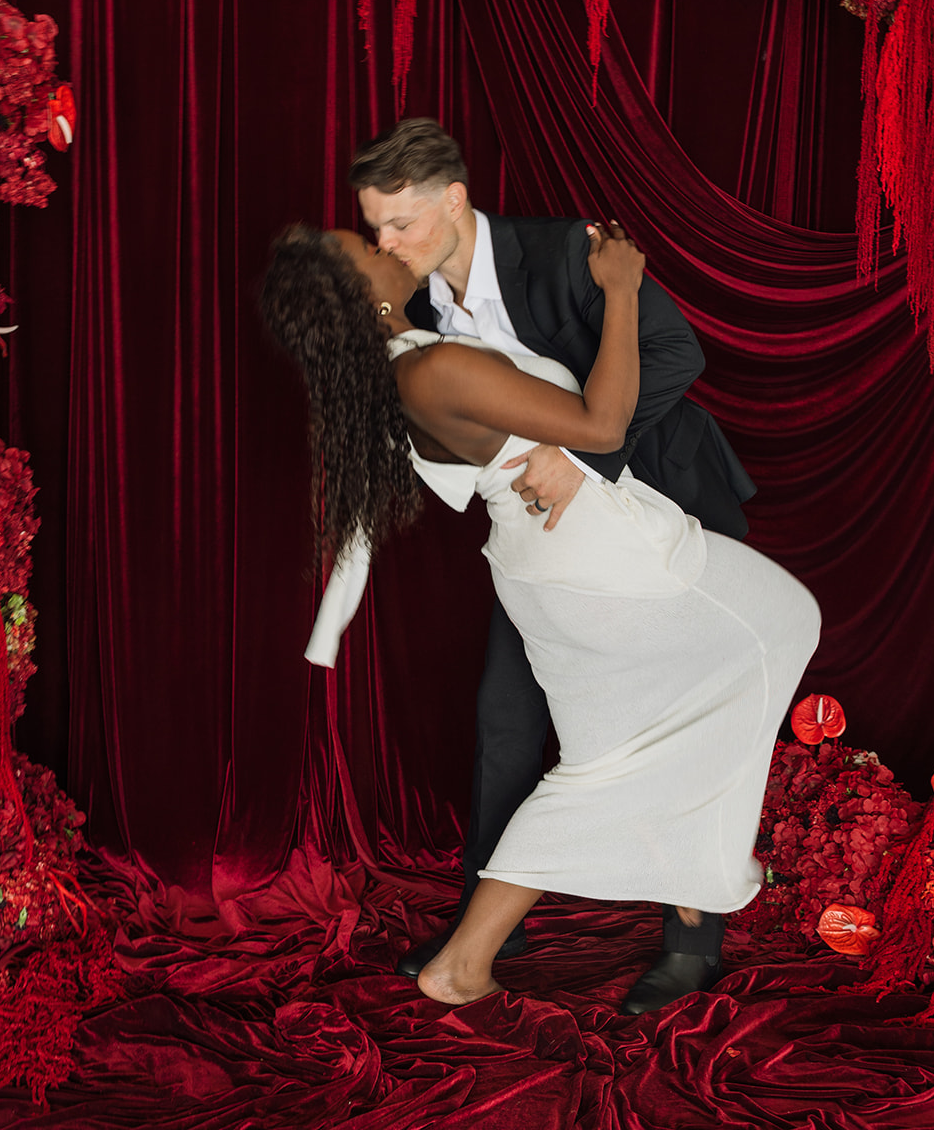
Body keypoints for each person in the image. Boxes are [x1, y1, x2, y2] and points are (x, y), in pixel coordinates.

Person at [260, 220, 820, 1011]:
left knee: (600, 763)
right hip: (602, 558)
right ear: (357, 299)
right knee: (785, 620)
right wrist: (621, 291)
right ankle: (705, 872)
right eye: (366, 253)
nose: (385, 249)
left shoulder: (389, 377)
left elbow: (353, 536)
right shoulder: (439, 366)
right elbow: (600, 426)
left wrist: (324, 636)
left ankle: (465, 964)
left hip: (541, 571)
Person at [346, 119, 757, 1010]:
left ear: (454, 200)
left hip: (665, 506)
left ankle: (691, 939)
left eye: (400, 223)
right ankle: (486, 929)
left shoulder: (567, 251)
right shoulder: (415, 305)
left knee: (678, 721)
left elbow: (676, 353)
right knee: (506, 719)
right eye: (373, 227)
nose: (385, 243)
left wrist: (579, 461)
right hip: (553, 551)